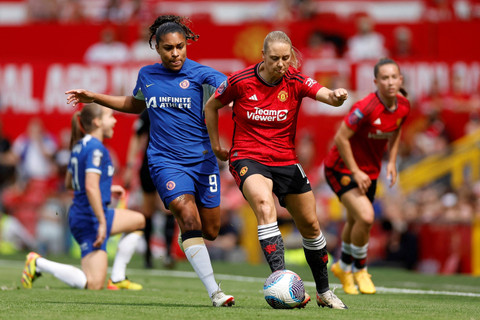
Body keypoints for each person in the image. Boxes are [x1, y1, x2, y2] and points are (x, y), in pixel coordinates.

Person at [65, 15, 234, 307]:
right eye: (168, 48)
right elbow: (136, 103)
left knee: (211, 230)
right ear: (157, 47)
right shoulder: (147, 75)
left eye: (180, 46)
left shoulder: (202, 74)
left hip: (203, 163)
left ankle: (189, 243)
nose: (176, 53)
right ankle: (215, 293)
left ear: (187, 44)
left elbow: (228, 91)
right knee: (185, 212)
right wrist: (95, 97)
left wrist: (230, 98)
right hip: (164, 160)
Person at [205, 30, 349, 310]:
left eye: (286, 58)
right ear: (263, 56)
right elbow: (212, 105)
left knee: (310, 225)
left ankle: (324, 291)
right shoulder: (240, 81)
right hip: (247, 157)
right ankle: (281, 282)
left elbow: (326, 95)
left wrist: (336, 96)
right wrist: (215, 145)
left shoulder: (295, 80)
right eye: (275, 58)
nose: (281, 64)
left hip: (285, 160)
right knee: (264, 204)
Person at [21, 103, 146, 290]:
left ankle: (118, 278)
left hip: (88, 212)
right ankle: (37, 263)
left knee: (138, 220)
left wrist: (107, 189)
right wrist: (102, 223)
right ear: (97, 122)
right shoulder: (97, 149)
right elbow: (89, 186)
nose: (114, 121)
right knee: (93, 283)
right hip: (90, 218)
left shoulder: (79, 146)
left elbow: (71, 183)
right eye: (110, 117)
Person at [323, 58, 410, 295]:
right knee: (366, 216)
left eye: (394, 77)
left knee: (355, 220)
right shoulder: (365, 108)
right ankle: (360, 269)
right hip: (341, 168)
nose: (390, 82)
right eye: (385, 78)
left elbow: (396, 129)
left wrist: (391, 161)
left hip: (370, 172)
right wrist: (355, 171)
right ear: (376, 82)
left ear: (400, 80)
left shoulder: (403, 106)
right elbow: (340, 139)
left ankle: (342, 266)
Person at [124, 110, 177, 269]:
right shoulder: (149, 110)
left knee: (168, 208)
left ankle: (168, 253)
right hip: (150, 164)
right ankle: (148, 255)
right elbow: (137, 135)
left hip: (170, 164)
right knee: (148, 210)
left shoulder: (175, 108)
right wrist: (130, 165)